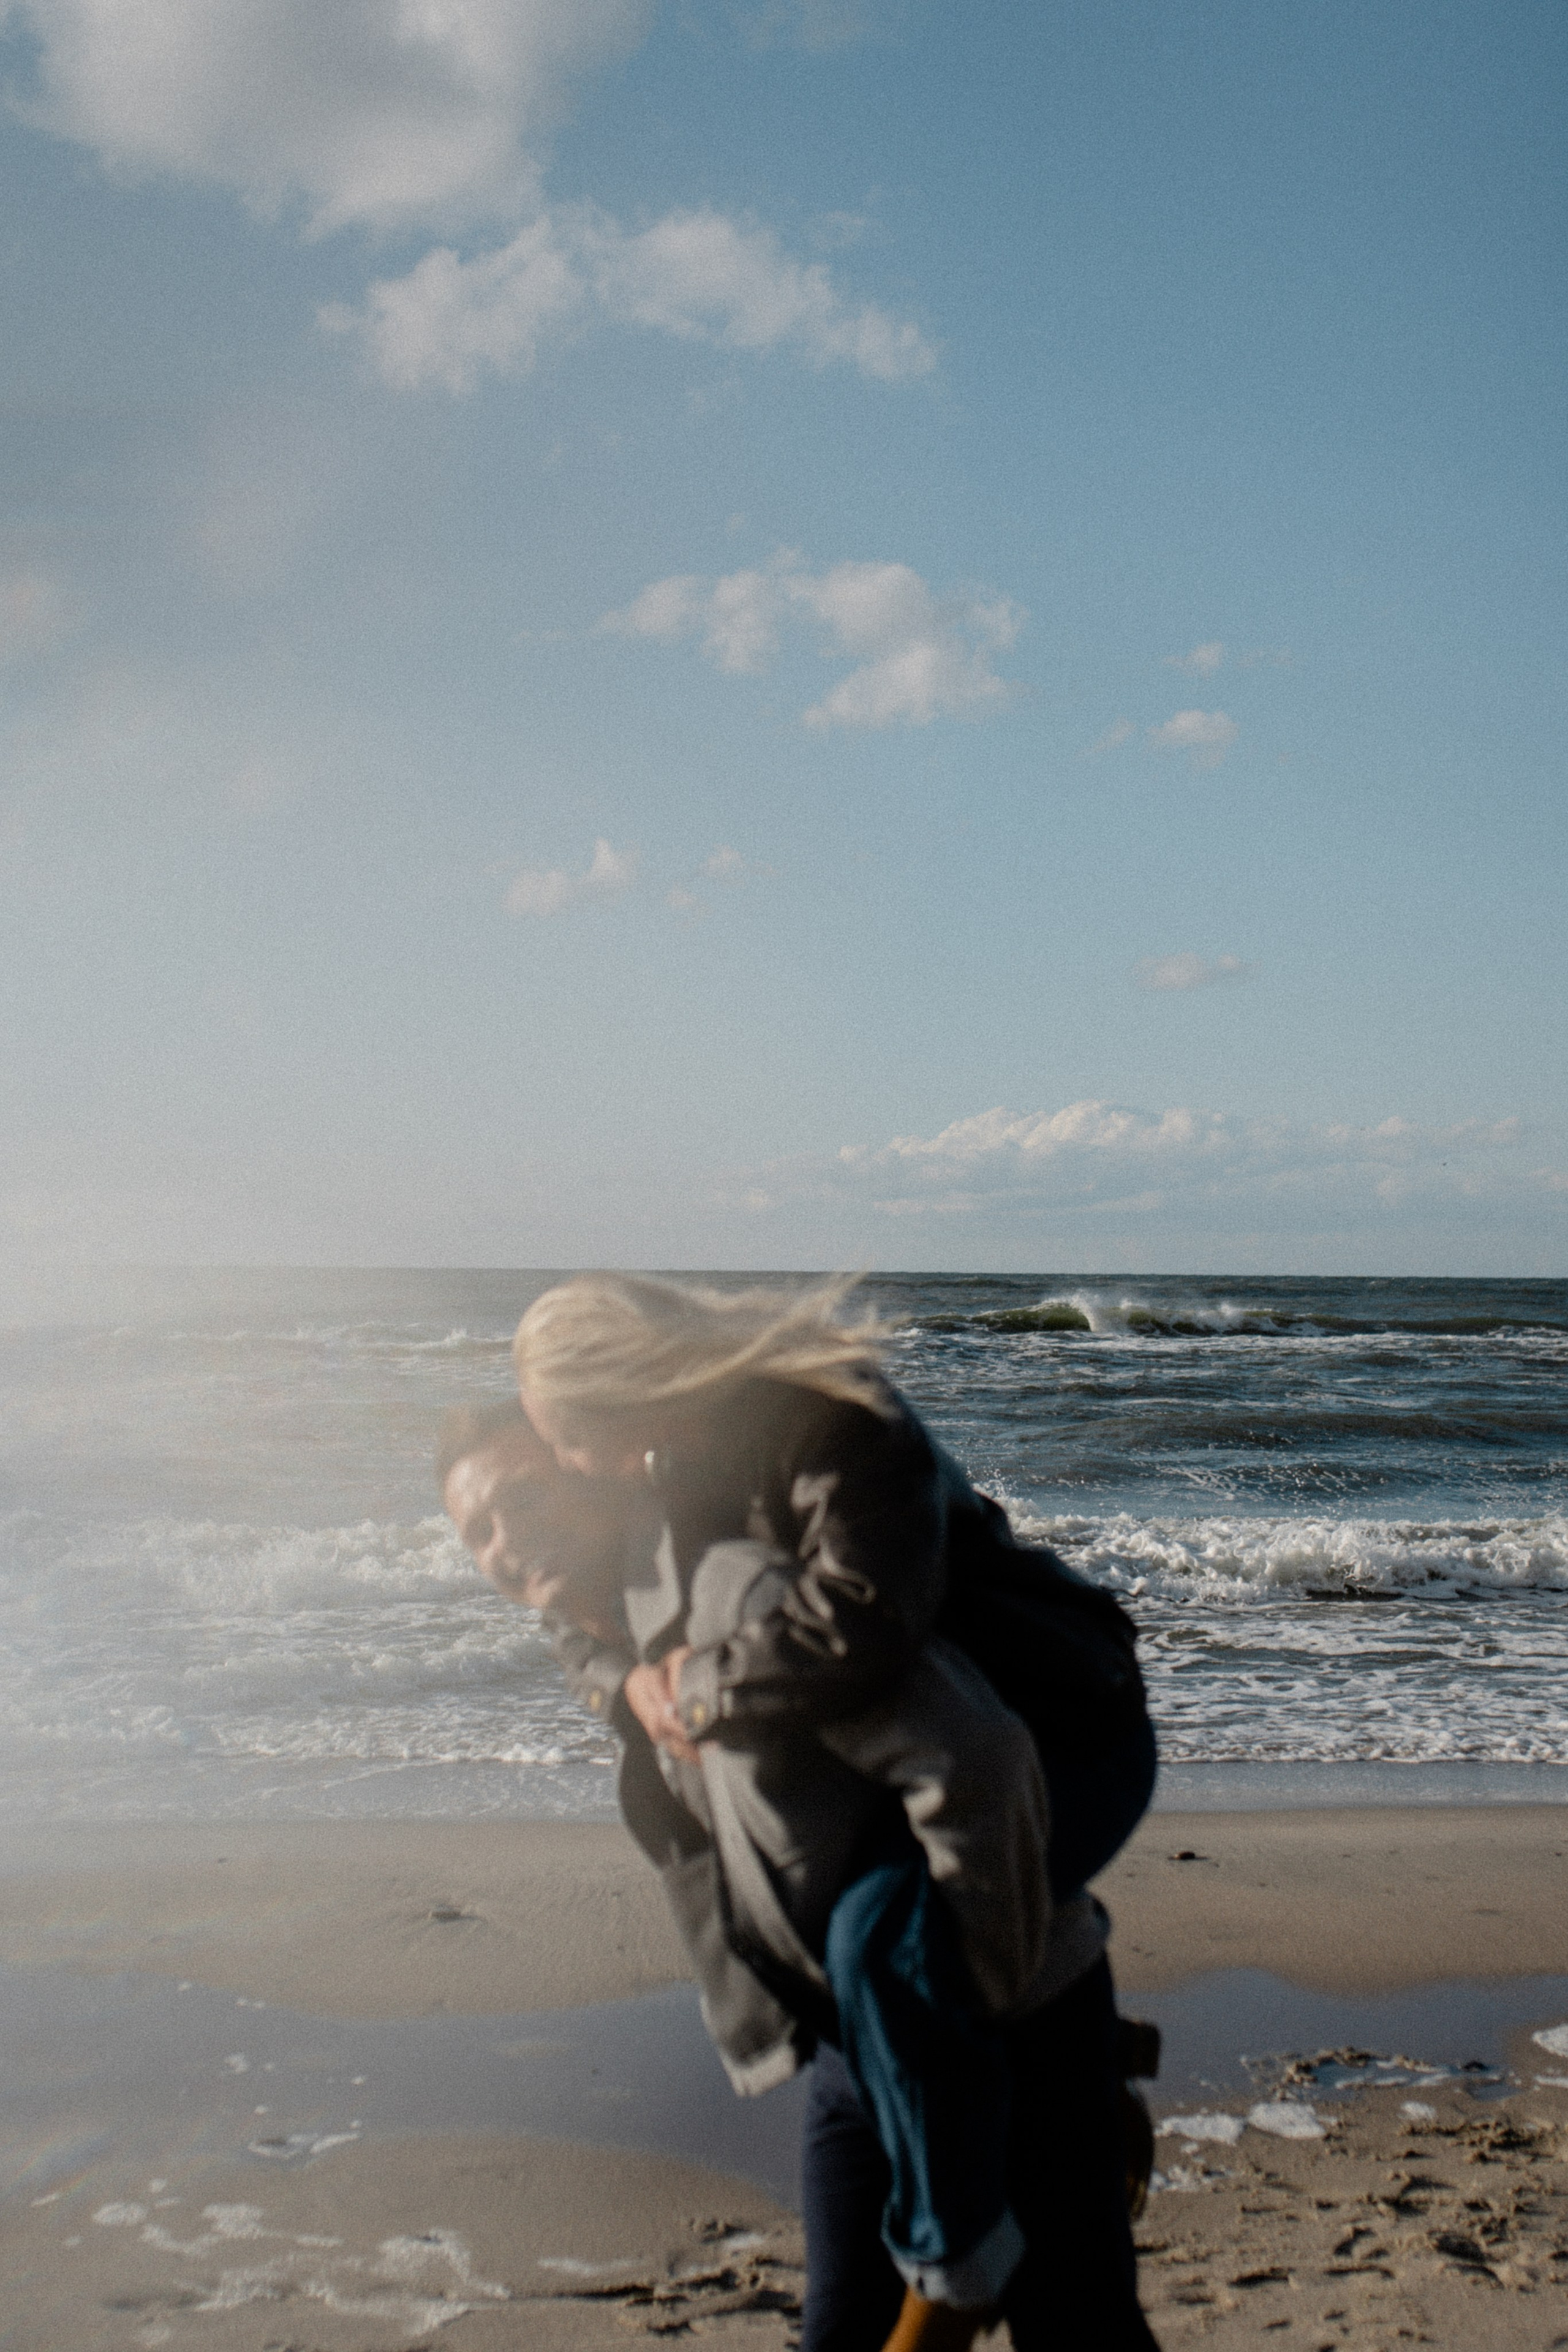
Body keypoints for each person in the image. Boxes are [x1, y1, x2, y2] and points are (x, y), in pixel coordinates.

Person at [445, 1275, 1159, 2351]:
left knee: (1070, 2316)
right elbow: (583, 1627)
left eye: (549, 1475)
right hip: (865, 1991)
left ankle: (998, 2203)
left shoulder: (808, 1457)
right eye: (478, 1532)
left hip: (1058, 1712)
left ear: (625, 1423)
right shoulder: (638, 1561)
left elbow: (880, 1647)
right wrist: (621, 1684)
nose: (508, 1544)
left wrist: (695, 1691)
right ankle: (1022, 2146)